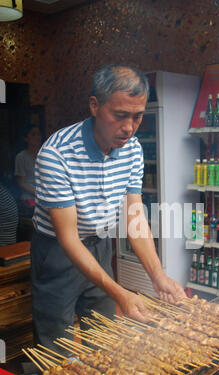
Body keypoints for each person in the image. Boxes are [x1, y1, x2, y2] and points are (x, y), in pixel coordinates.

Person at [31, 63, 186, 351]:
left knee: (102, 339)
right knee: (56, 346)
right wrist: (121, 293)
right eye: (120, 116)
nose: (129, 128)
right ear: (94, 105)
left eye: (137, 117)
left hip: (99, 245)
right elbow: (68, 238)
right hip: (57, 252)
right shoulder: (57, 154)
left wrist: (157, 276)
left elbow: (134, 217)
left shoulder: (133, 149)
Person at [14, 124, 42, 217]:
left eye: (38, 134)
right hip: (29, 199)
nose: (37, 137)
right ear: (26, 139)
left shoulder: (44, 154)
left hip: (45, 196)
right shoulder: (21, 157)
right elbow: (21, 182)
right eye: (33, 134)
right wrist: (38, 192)